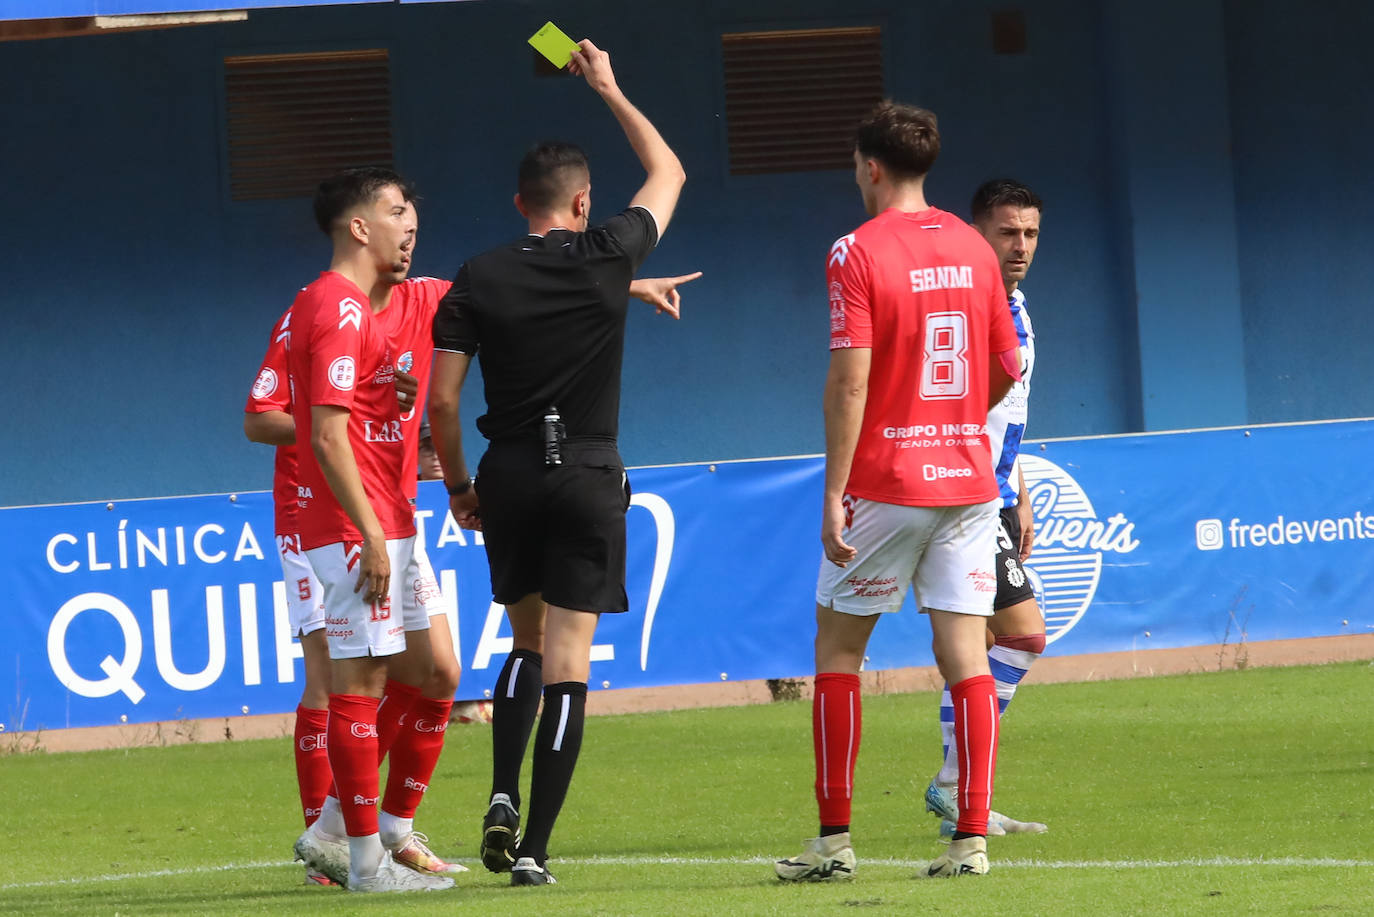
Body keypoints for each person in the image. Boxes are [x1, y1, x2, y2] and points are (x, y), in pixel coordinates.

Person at [428, 38, 686, 887]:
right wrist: (609, 86)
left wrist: (460, 484)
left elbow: (440, 402)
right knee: (571, 661)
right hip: (585, 471)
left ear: (519, 203)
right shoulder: (607, 254)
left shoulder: (478, 274)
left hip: (505, 472)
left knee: (524, 641)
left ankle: (500, 789)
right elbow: (669, 169)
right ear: (582, 202)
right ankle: (533, 846)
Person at [773, 100, 1020, 882]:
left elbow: (849, 383)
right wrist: (953, 428)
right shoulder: (978, 252)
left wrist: (833, 491)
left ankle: (834, 842)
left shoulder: (855, 250)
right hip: (969, 481)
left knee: (839, 649)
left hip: (888, 480)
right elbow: (1007, 368)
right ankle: (970, 839)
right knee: (965, 655)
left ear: (870, 167)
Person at [279, 167, 454, 893]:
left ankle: (346, 830)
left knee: (436, 669)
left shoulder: (356, 306)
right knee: (357, 678)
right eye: (394, 212)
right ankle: (360, 862)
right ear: (359, 226)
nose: (408, 225)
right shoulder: (335, 306)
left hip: (386, 518)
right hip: (355, 526)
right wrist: (369, 533)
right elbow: (324, 435)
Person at [923, 179, 1049, 838]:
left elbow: (1008, 409)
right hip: (961, 494)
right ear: (978, 232)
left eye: (1029, 232)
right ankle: (954, 785)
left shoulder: (1017, 303)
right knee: (1022, 636)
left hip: (996, 495)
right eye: (1008, 231)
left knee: (984, 643)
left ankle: (964, 798)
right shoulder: (965, 302)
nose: (1021, 244)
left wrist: (1020, 489)